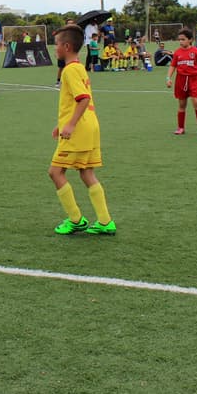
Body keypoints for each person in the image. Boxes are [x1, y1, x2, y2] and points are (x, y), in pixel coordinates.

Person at [48, 25, 114, 236]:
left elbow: (83, 99)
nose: (55, 48)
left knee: (55, 172)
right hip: (90, 126)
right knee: (86, 172)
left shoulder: (69, 70)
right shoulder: (79, 68)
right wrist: (62, 124)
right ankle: (105, 221)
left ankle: (75, 219)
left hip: (79, 129)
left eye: (57, 44)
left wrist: (70, 125)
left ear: (66, 46)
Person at [167, 28, 197, 135]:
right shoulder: (177, 52)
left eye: (183, 39)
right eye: (179, 40)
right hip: (180, 80)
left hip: (194, 79)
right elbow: (172, 66)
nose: (181, 41)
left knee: (196, 103)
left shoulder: (196, 51)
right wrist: (168, 78)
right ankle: (181, 128)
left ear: (190, 40)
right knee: (182, 105)